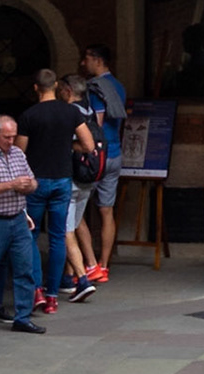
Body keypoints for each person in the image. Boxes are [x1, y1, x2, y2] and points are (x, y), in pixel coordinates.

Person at [15, 68, 96, 313]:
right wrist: (67, 146)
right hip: (62, 180)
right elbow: (88, 144)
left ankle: (37, 289)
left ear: (36, 88)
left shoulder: (29, 115)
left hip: (37, 181)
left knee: (31, 235)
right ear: (56, 87)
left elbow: (19, 153)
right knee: (58, 236)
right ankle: (52, 296)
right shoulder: (70, 112)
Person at [0, 115, 44, 334]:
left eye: (13, 136)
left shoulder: (18, 154)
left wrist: (28, 186)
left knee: (24, 268)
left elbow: (33, 182)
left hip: (17, 219)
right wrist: (10, 185)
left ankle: (23, 316)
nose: (11, 141)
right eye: (6, 137)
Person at [80, 45, 127, 280]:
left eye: (86, 58)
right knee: (106, 211)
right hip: (115, 153)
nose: (83, 63)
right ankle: (104, 265)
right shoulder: (119, 86)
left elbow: (96, 124)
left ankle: (88, 265)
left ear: (97, 60)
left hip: (97, 155)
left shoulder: (96, 87)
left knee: (77, 211)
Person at [58, 74, 101, 301]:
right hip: (89, 176)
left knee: (65, 231)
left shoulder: (69, 113)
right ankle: (69, 275)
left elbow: (83, 143)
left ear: (67, 90)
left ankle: (82, 278)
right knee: (72, 226)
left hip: (71, 175)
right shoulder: (90, 111)